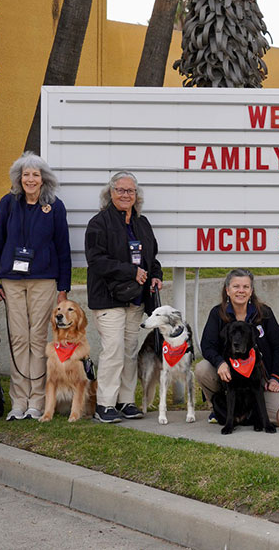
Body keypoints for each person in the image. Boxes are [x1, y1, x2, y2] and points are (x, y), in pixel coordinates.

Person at [0, 152, 72, 421]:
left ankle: (36, 400)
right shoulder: (8, 203)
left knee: (38, 339)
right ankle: (18, 401)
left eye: (35, 174)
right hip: (11, 281)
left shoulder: (54, 207)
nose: (30, 179)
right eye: (26, 174)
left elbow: (63, 248)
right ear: (18, 178)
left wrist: (63, 287)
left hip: (44, 280)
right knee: (19, 339)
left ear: (43, 178)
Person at [85, 171, 163, 423]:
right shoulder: (99, 223)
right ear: (110, 192)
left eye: (130, 191)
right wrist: (131, 271)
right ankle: (104, 404)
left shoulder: (142, 223)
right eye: (120, 190)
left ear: (136, 195)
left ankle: (125, 400)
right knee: (114, 350)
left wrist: (155, 274)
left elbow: (152, 257)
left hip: (136, 299)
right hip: (109, 298)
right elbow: (96, 260)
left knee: (130, 351)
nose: (125, 195)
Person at [196, 269, 279, 427]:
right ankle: (221, 410)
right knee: (202, 368)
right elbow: (207, 345)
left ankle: (248, 414)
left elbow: (278, 347)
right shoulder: (217, 313)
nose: (241, 291)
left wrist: (275, 377)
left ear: (251, 290)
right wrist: (220, 363)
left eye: (246, 287)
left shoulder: (264, 313)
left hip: (260, 377)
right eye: (236, 286)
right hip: (228, 374)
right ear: (227, 290)